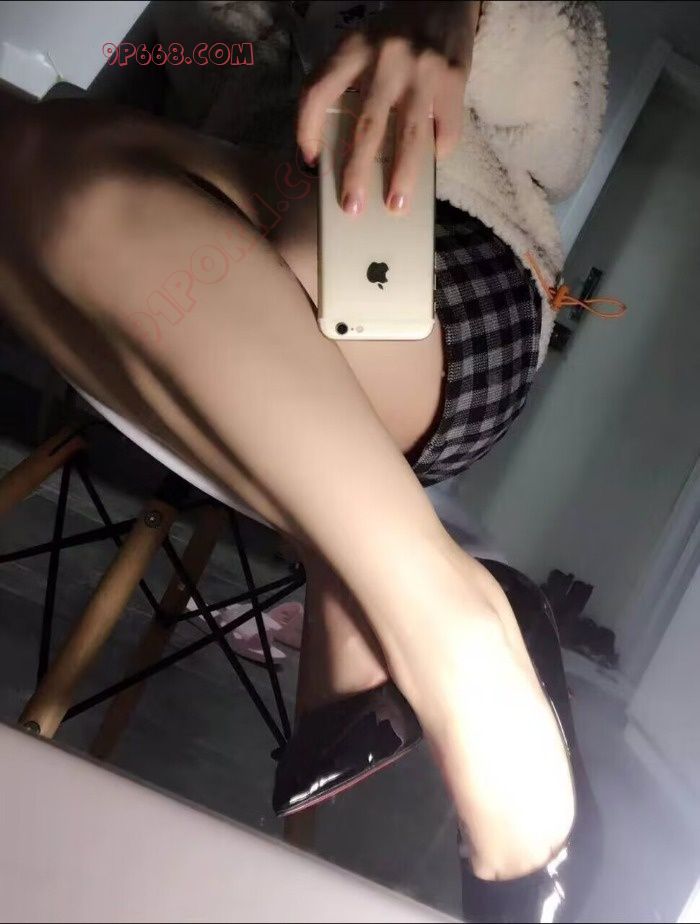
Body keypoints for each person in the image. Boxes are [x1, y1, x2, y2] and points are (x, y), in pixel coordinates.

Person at [0, 1, 607, 920]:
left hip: (436, 263)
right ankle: (423, 603)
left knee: (100, 195)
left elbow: (563, 133)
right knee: (38, 156)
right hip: (212, 262)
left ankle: (449, 631)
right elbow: (161, 87)